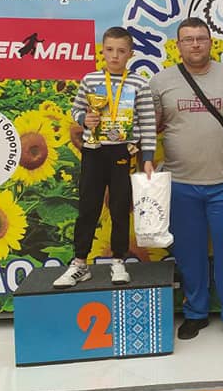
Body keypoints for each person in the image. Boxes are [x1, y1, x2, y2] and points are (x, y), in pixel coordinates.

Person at [150, 17, 223, 346]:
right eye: (188, 39)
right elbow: (149, 129)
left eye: (201, 38)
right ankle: (196, 312)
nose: (195, 44)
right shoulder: (160, 82)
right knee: (189, 254)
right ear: (178, 45)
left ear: (211, 42)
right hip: (180, 183)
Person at [56, 27, 156, 289]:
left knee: (120, 207)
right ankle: (80, 263)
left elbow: (147, 122)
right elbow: (76, 109)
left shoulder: (139, 84)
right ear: (102, 51)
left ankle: (119, 261)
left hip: (123, 152)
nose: (115, 56)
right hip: (94, 150)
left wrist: (147, 157)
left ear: (130, 54)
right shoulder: (90, 80)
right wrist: (84, 119)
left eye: (121, 51)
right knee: (88, 206)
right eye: (110, 50)